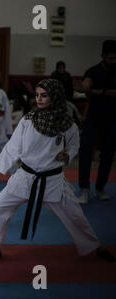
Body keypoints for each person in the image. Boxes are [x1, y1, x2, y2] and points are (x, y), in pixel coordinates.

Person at [0, 79, 114, 263]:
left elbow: (75, 146)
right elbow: (13, 147)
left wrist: (66, 155)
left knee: (76, 216)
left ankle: (95, 247)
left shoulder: (68, 125)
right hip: (25, 177)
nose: (39, 99)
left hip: (53, 181)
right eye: (37, 95)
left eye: (44, 95)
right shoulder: (28, 120)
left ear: (55, 96)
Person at [78, 40, 116, 204]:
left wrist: (97, 92)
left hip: (113, 119)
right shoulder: (92, 71)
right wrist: (88, 88)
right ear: (102, 56)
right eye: (110, 58)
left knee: (108, 155)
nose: (113, 61)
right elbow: (86, 86)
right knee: (86, 152)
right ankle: (84, 189)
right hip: (93, 117)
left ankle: (100, 188)